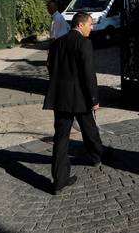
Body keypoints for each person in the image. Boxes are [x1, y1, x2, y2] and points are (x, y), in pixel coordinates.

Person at [43, 11, 105, 194]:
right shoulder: (84, 43)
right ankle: (97, 156)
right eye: (90, 24)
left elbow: (50, 67)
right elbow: (88, 73)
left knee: (61, 139)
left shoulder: (57, 43)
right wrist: (94, 99)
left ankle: (59, 181)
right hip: (80, 97)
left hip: (60, 97)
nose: (91, 28)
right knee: (90, 129)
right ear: (80, 24)